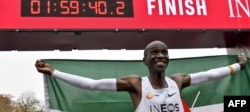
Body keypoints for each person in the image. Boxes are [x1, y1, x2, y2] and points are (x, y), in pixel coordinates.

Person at [35, 40, 247, 112]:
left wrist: (238, 67)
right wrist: (54, 72)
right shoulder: (136, 84)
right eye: (154, 53)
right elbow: (92, 85)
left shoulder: (178, 81)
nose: (160, 55)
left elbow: (210, 75)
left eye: (164, 52)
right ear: (145, 60)